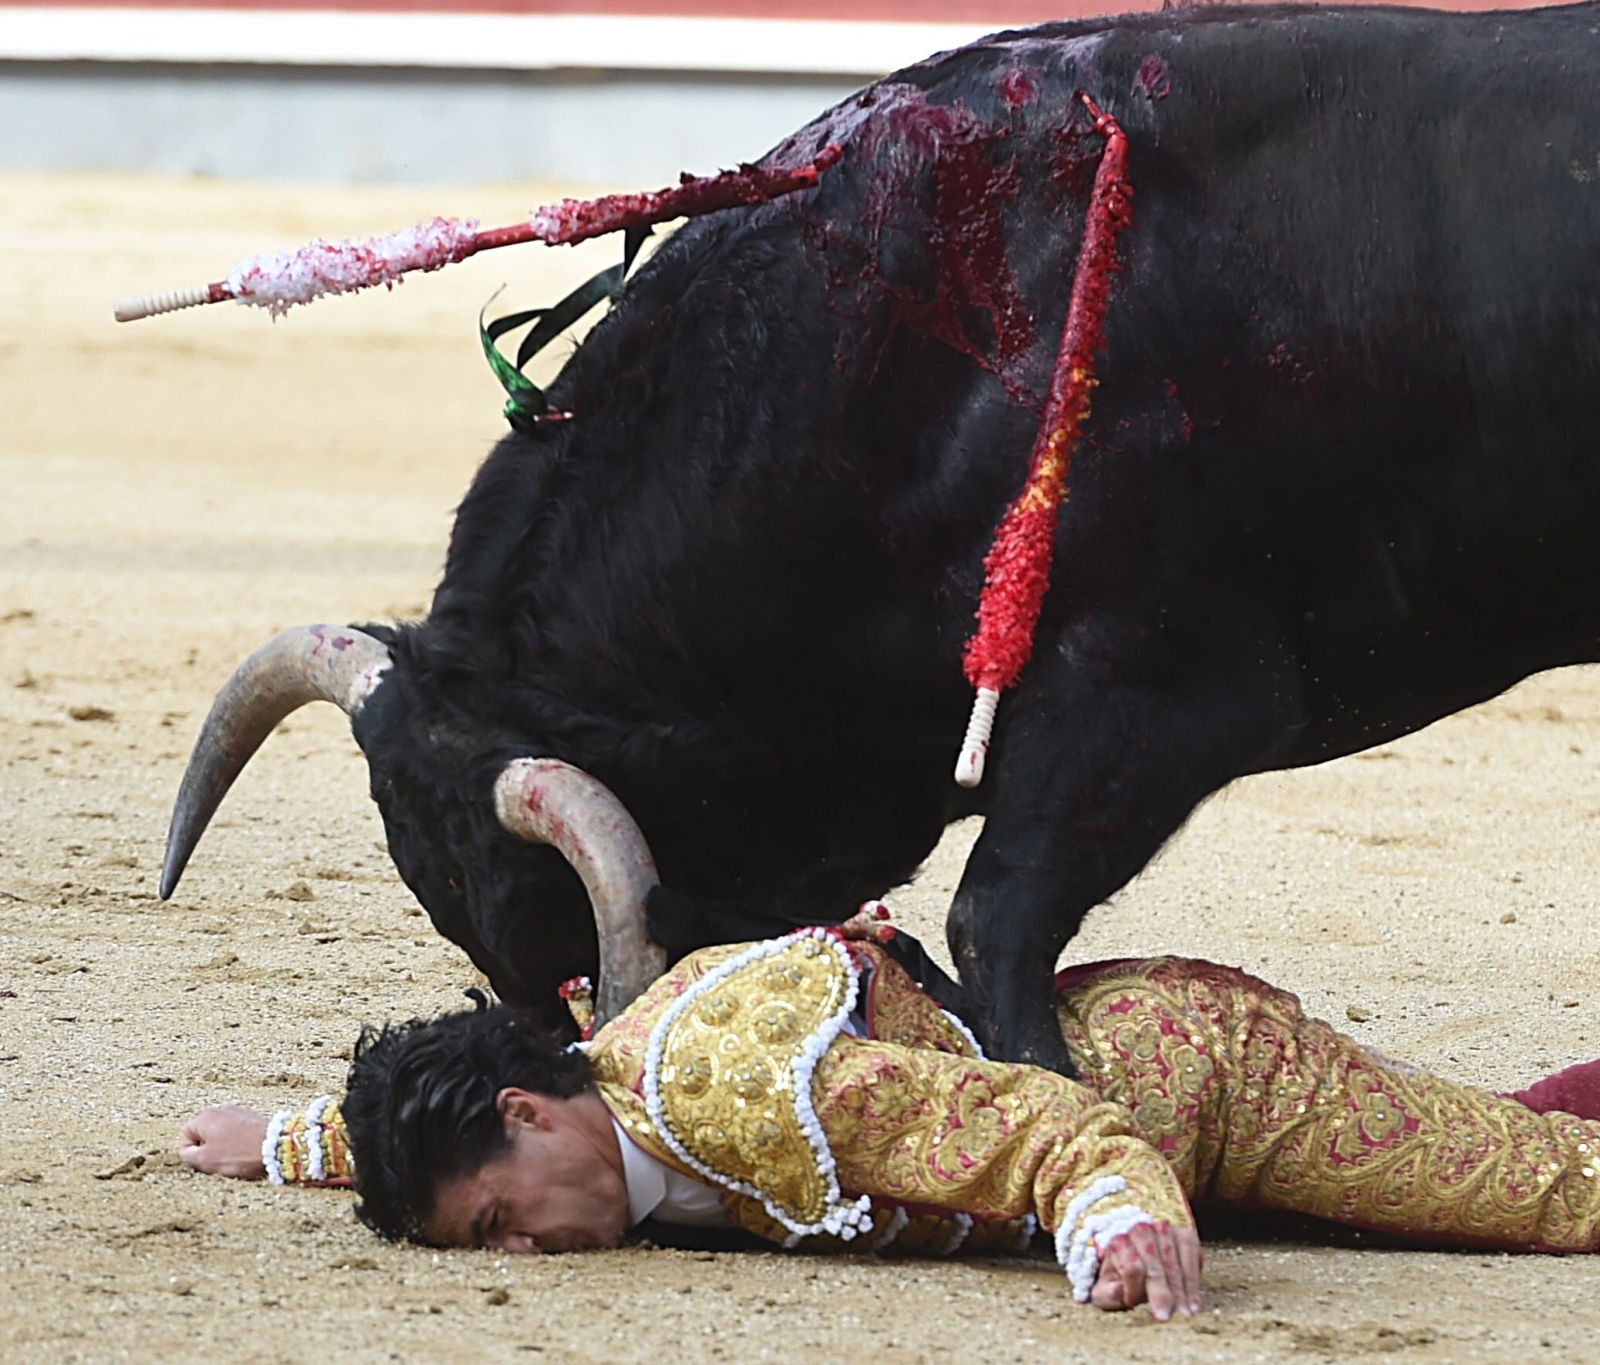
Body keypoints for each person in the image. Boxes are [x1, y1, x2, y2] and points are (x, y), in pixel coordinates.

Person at [180, 921, 1600, 1321]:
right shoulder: (584, 1088)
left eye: (501, 1218)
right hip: (1073, 1051)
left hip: (1194, 1079)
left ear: (527, 1108)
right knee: (1491, 1131)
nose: (524, 1252)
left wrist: (1121, 1218)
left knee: (1545, 1187)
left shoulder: (749, 1093)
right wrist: (299, 1138)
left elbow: (1058, 1129)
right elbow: (421, 1130)